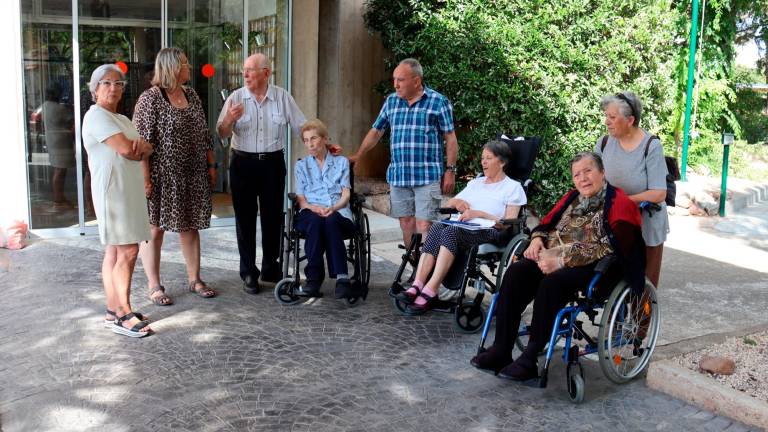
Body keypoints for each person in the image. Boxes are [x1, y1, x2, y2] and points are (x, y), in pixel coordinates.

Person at [470, 152, 645, 379]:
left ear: (602, 172)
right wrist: (536, 240)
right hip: (553, 257)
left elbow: (612, 247)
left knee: (553, 283)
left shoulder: (618, 203)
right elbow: (546, 223)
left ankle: (529, 358)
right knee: (517, 272)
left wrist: (561, 261)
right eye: (577, 174)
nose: (583, 178)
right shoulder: (572, 197)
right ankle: (501, 349)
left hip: (598, 269)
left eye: (588, 171)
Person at [396, 140, 526, 312]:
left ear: (502, 162)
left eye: (488, 158)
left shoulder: (512, 187)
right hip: (463, 227)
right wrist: (459, 202)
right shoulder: (476, 183)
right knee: (437, 227)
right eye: (482, 158)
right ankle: (418, 284)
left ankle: (431, 290)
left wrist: (479, 214)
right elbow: (451, 202)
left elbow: (507, 224)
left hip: (489, 231)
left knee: (450, 232)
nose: (483, 162)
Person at [217, 53, 306, 294]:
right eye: (244, 70)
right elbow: (222, 133)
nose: (245, 74)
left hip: (272, 164)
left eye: (251, 70)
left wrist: (324, 148)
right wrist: (229, 119)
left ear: (266, 73)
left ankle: (270, 267)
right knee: (244, 219)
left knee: (273, 217)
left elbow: (302, 127)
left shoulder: (281, 97)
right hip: (242, 164)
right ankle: (248, 272)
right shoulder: (236, 98)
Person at [133, 47, 217, 306]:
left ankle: (195, 279)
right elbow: (142, 142)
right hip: (161, 176)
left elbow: (204, 134)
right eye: (185, 64)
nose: (189, 68)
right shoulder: (150, 98)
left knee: (190, 226)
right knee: (154, 229)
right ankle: (154, 285)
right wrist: (145, 179)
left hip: (192, 173)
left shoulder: (191, 94)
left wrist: (211, 166)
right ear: (172, 68)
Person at [349, 58, 458, 248]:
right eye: (394, 79)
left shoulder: (438, 102)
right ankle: (414, 266)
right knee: (406, 223)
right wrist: (359, 155)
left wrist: (450, 170)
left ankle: (424, 274)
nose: (395, 84)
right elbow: (376, 131)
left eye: (401, 80)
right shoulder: (392, 102)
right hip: (399, 176)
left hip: (427, 175)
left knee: (425, 224)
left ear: (416, 81)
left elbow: (450, 137)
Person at [81, 64, 155, 338]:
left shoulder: (122, 119)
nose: (114, 88)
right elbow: (128, 149)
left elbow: (147, 148)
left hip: (128, 190)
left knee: (114, 251)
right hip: (113, 193)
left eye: (118, 84)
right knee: (128, 251)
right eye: (107, 83)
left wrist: (142, 149)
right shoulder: (96, 116)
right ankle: (123, 314)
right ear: (95, 89)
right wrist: (138, 149)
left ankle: (113, 309)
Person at [595, 91, 669, 288]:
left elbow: (659, 192)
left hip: (646, 224)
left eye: (612, 117)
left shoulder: (651, 146)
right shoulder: (604, 143)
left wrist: (622, 200)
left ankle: (643, 317)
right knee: (614, 279)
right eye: (606, 116)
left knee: (643, 283)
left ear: (630, 120)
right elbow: (593, 178)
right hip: (615, 222)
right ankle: (615, 318)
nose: (606, 121)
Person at [293, 119, 358, 299]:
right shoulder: (301, 166)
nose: (310, 144)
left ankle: (342, 279)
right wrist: (313, 208)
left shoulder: (342, 162)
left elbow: (346, 195)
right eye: (306, 140)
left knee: (330, 220)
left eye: (313, 138)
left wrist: (333, 207)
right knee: (315, 220)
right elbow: (301, 199)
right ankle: (313, 279)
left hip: (338, 211)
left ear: (324, 139)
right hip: (310, 212)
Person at [42, 82, 75, 209]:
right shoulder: (59, 108)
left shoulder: (45, 106)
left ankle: (59, 197)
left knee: (59, 169)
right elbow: (72, 120)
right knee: (60, 170)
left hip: (52, 141)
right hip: (61, 142)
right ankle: (58, 199)